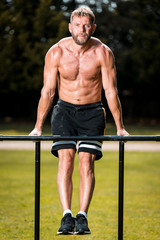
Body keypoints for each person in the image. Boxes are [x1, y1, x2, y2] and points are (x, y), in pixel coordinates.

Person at [29, 6, 129, 235]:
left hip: (92, 112)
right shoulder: (56, 52)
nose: (81, 30)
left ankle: (82, 216)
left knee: (86, 163)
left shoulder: (103, 52)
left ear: (93, 28)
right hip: (63, 111)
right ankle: (66, 215)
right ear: (70, 27)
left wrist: (121, 128)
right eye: (77, 25)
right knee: (65, 160)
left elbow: (111, 91)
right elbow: (48, 91)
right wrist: (37, 128)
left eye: (86, 26)